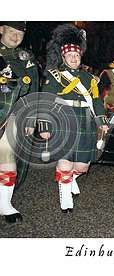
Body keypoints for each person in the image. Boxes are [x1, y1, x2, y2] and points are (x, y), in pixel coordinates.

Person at [40, 24, 108, 213]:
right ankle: (65, 193)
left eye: (76, 55)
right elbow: (46, 101)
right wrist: (44, 125)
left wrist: (102, 123)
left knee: (83, 166)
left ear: (80, 57)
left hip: (85, 121)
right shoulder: (55, 76)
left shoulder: (90, 78)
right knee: (65, 161)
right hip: (64, 120)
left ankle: (70, 179)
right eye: (70, 55)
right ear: (63, 57)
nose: (73, 58)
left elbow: (96, 101)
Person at [0, 21, 39, 223]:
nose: (16, 37)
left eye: (20, 34)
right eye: (12, 31)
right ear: (1, 29)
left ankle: (5, 204)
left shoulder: (26, 59)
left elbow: (33, 91)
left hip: (12, 115)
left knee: (6, 156)